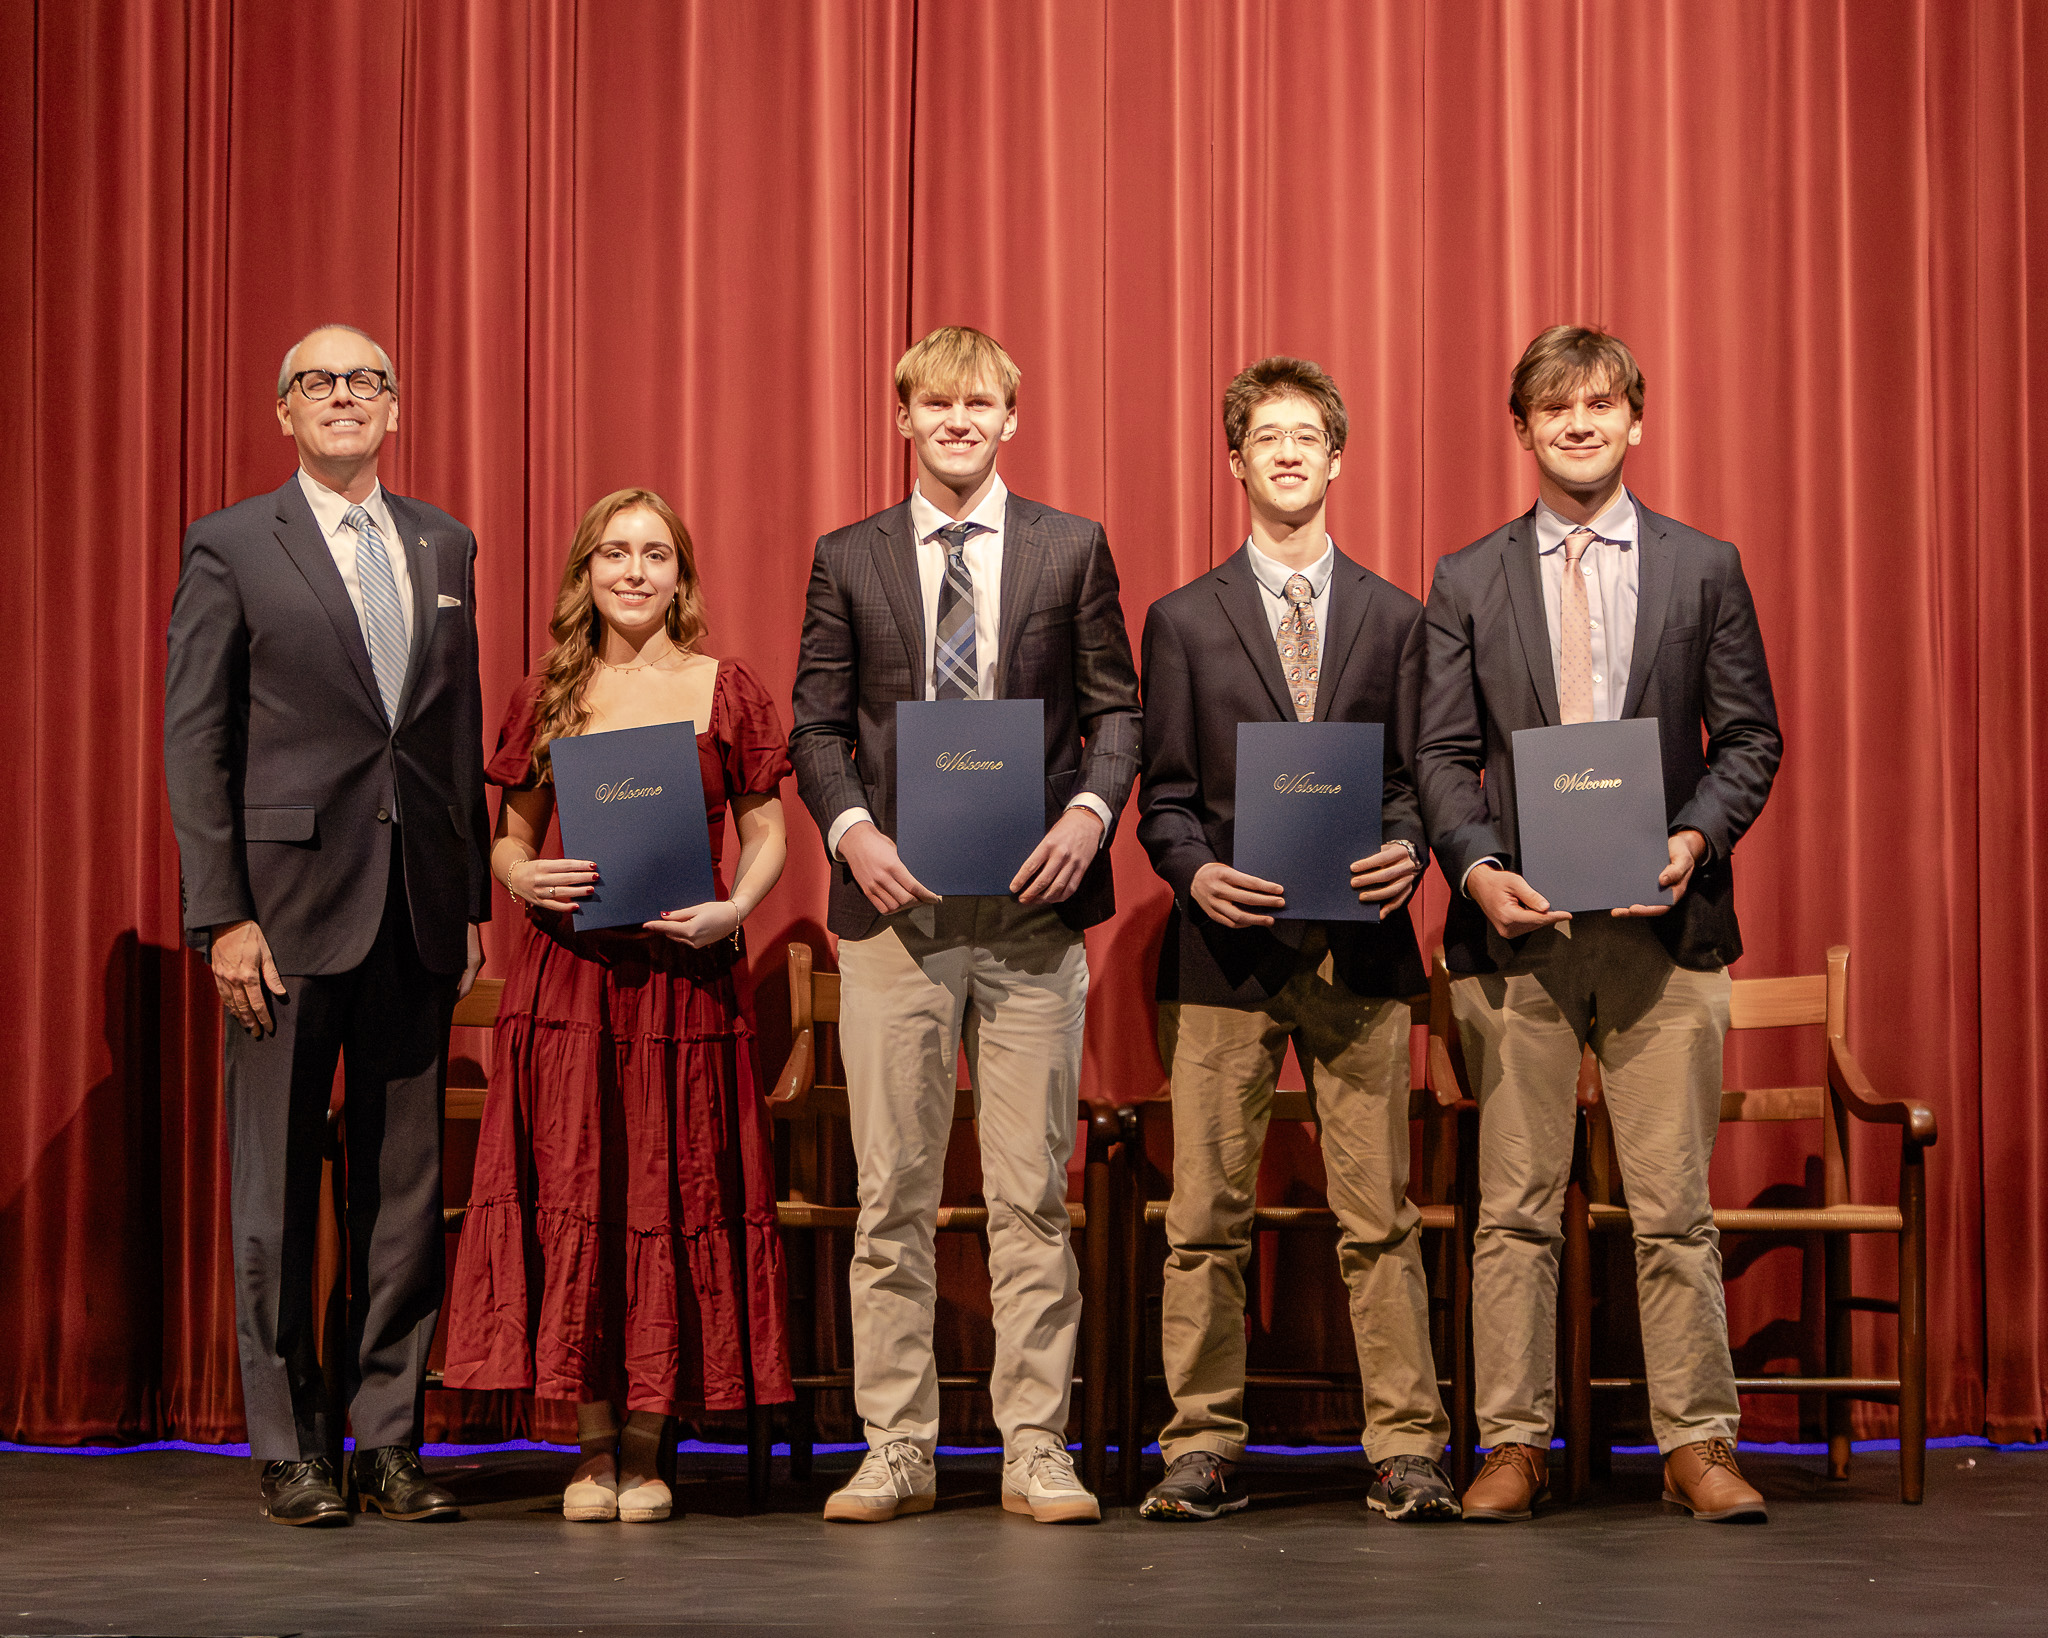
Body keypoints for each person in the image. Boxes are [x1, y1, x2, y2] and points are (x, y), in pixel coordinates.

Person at [1415, 325, 1782, 1523]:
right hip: (1515, 936)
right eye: (1553, 408)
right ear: (1521, 429)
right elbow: (1437, 755)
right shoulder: (1466, 577)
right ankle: (1511, 1445)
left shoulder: (1703, 567)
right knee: (1512, 1211)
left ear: (1636, 422)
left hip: (1660, 933)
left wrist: (1686, 842)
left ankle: (1695, 1444)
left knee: (1674, 1205)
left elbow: (1748, 740)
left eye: (1599, 404)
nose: (1577, 425)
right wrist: (1473, 873)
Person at [789, 326, 1140, 1524]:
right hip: (896, 916)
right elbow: (815, 728)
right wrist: (850, 834)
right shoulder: (847, 558)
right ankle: (897, 1446)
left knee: (1031, 1192)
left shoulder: (1070, 547)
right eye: (934, 403)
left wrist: (1091, 815)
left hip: (1034, 916)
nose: (956, 420)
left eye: (977, 402)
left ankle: (1033, 1444)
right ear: (901, 419)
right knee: (890, 1189)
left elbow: (1118, 713)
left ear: (1009, 417)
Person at [164, 324, 488, 1525]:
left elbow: (447, 739)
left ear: (394, 408)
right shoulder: (233, 545)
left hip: (415, 912)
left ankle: (388, 1440)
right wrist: (221, 918)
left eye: (364, 382)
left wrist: (470, 905)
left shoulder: (444, 542)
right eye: (317, 382)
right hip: (282, 920)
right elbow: (197, 744)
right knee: (277, 1192)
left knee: (401, 1193)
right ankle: (291, 1445)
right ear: (284, 412)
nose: (342, 397)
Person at [1133, 357, 1459, 1523]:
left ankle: (1406, 1447)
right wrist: (1191, 869)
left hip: (1361, 951)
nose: (1284, 453)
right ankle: (1201, 1444)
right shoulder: (1177, 619)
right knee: (1203, 1218)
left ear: (1335, 459)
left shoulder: (1398, 616)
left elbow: (1423, 779)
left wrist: (1409, 846)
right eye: (1262, 437)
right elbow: (1160, 798)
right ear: (1234, 462)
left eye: (1304, 436)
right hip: (1224, 956)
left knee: (1379, 1218)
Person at [441, 488, 794, 1524]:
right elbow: (508, 834)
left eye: (654, 555)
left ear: (681, 575)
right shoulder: (548, 693)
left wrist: (737, 905)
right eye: (614, 554)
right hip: (571, 985)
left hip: (687, 982)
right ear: (584, 574)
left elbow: (770, 828)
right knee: (579, 1192)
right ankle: (592, 1448)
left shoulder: (727, 689)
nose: (634, 573)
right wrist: (517, 877)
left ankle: (650, 1446)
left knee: (672, 1194)